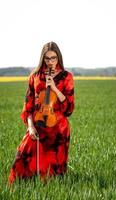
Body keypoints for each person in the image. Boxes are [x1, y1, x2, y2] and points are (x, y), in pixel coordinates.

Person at [8, 41, 75, 184]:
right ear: (42, 58)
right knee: (22, 159)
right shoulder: (35, 76)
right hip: (38, 123)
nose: (50, 62)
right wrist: (30, 126)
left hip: (58, 128)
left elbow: (69, 107)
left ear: (59, 58)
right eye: (47, 58)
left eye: (54, 58)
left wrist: (55, 88)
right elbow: (29, 104)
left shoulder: (66, 76)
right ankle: (19, 188)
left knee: (54, 172)